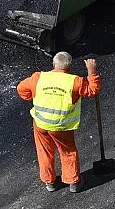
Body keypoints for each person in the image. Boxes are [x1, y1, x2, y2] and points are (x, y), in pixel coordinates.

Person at [17, 52, 101, 193]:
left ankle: (50, 182)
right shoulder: (75, 81)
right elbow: (93, 90)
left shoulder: (38, 77)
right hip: (61, 127)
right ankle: (73, 182)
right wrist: (92, 72)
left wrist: (31, 96)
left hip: (41, 124)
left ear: (54, 64)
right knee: (68, 152)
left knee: (44, 152)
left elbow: (21, 88)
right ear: (69, 66)